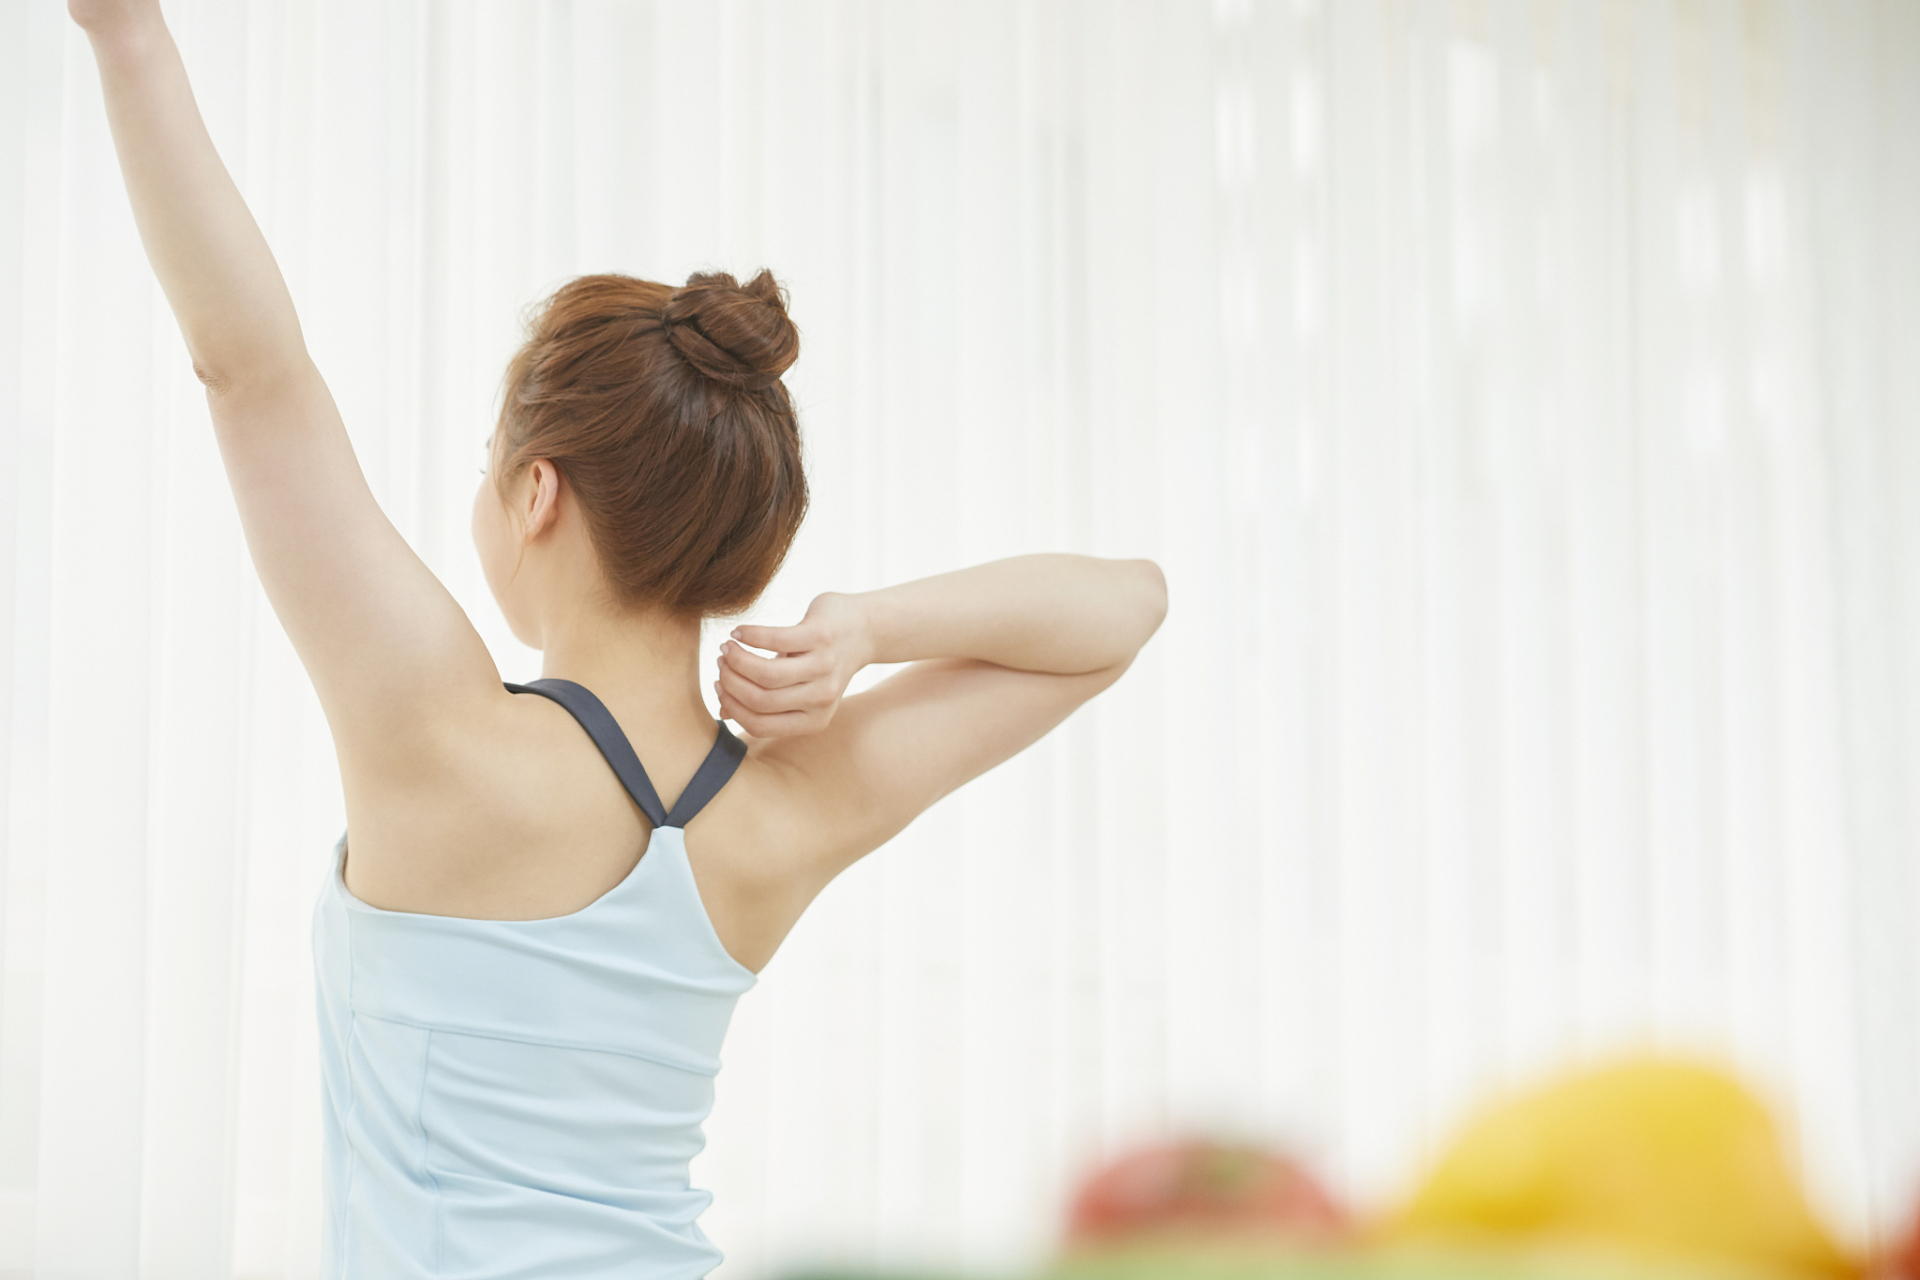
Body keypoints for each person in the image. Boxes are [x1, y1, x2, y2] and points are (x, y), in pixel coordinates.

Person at [72, 1, 1167, 1275]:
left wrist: (126, 35)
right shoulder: (780, 811)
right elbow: (1124, 608)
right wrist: (865, 627)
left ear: (536, 490)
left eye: (489, 462)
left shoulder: (436, 731)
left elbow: (250, 370)